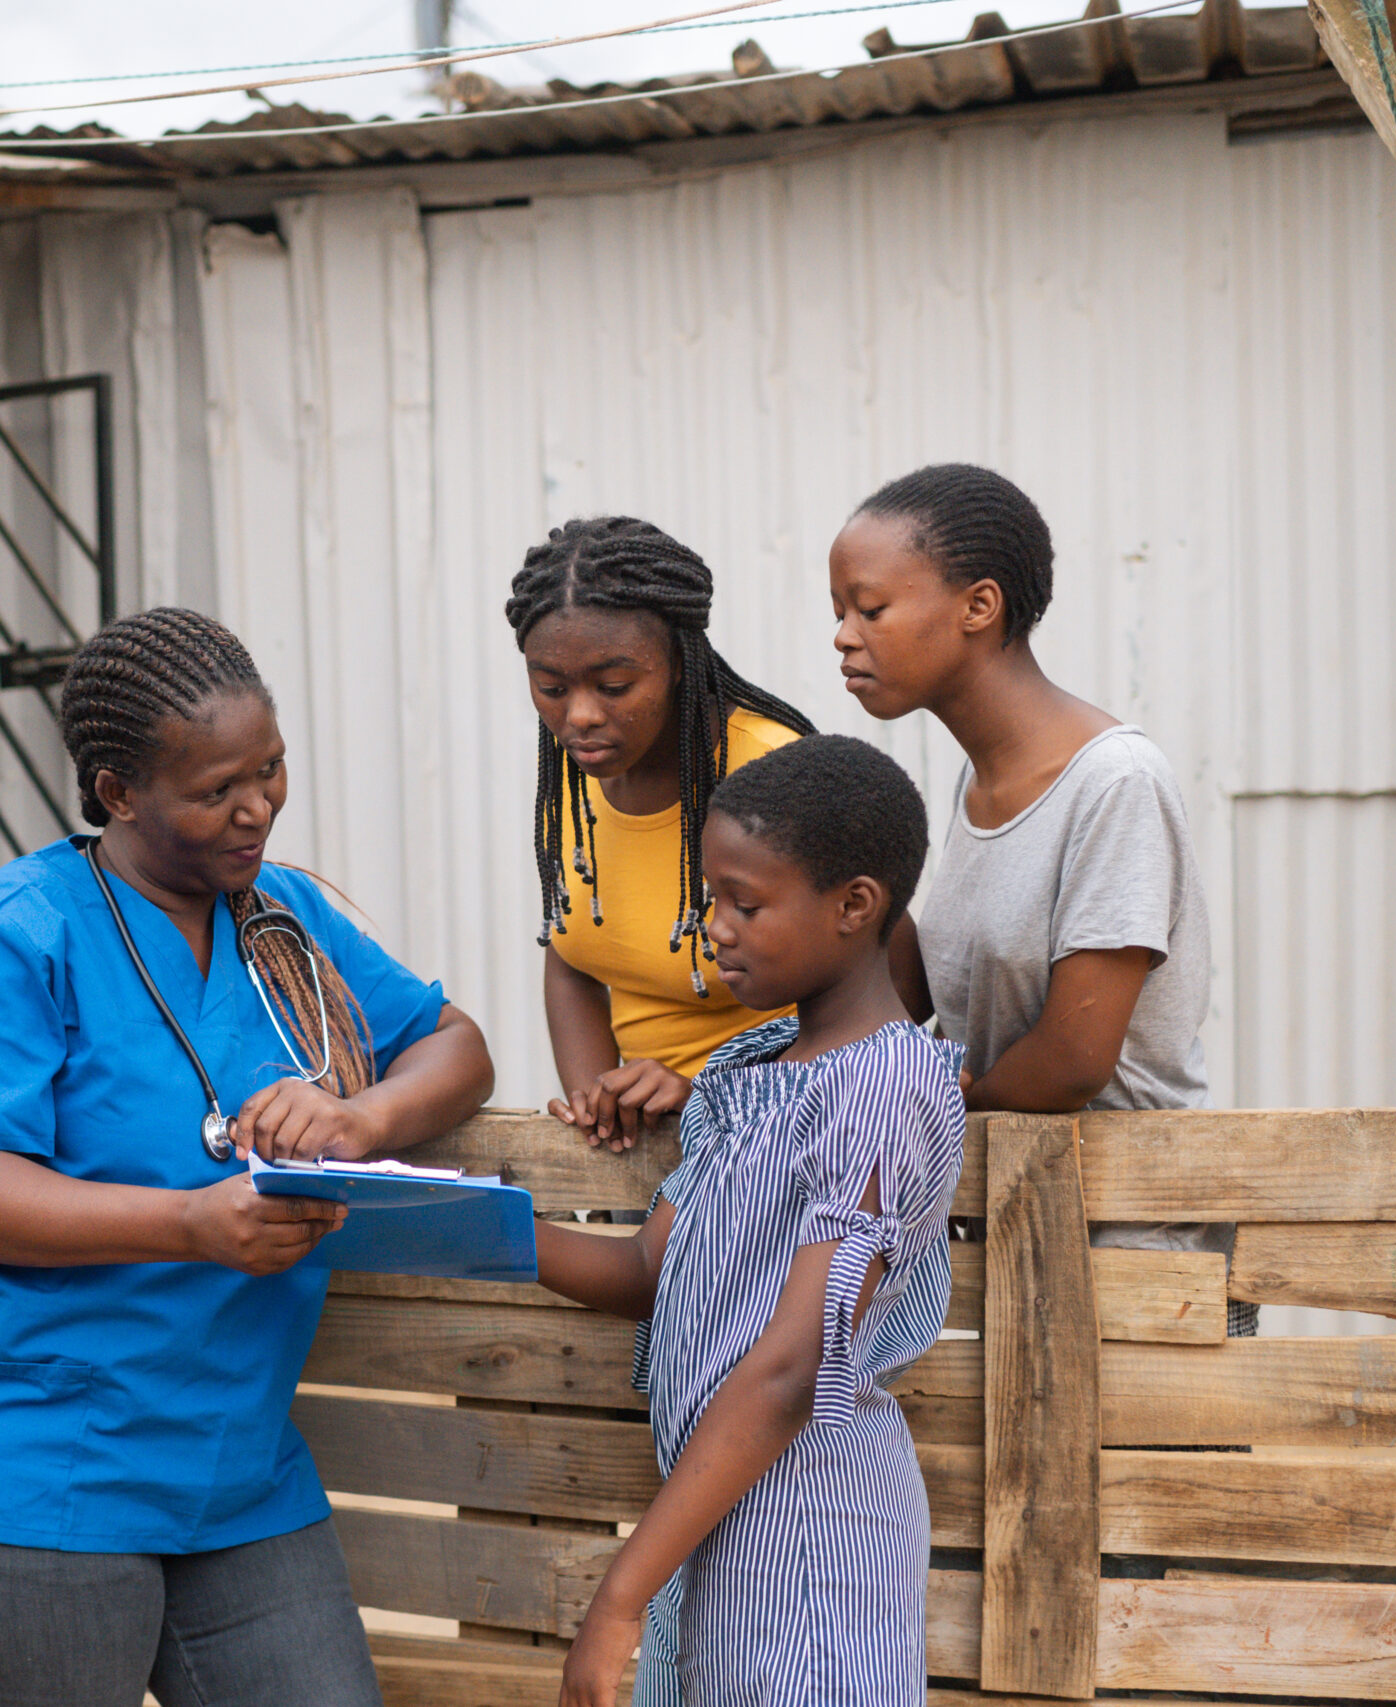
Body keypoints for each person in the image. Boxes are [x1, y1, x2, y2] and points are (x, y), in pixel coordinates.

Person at [0, 607, 495, 1707]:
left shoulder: (280, 918)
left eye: (271, 769)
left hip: (234, 1477)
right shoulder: (6, 936)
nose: (257, 809)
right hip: (37, 1481)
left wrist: (357, 1122)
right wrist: (188, 1225)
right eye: (215, 791)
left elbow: (453, 1047)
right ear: (116, 794)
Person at [534, 735, 966, 1707]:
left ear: (854, 905)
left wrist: (619, 1595)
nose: (711, 929)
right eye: (708, 899)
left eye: (745, 903)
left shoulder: (883, 1086)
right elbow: (652, 1271)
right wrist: (465, 1225)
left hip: (808, 1523)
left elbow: (792, 1366)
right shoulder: (751, 1070)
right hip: (717, 1506)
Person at [828, 463, 1249, 1334]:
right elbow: (934, 1006)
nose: (843, 636)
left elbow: (1072, 1057)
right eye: (839, 612)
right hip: (1020, 1234)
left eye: (869, 609)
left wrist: (923, 1106)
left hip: (1132, 1259)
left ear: (978, 607)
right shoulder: (977, 786)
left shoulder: (1113, 783)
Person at [505, 516, 818, 1154]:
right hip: (648, 1155)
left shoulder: (774, 777)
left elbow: (882, 981)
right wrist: (599, 1103)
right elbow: (572, 961)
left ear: (677, 662)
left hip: (790, 1146)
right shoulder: (571, 788)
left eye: (614, 686)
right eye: (552, 688)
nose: (581, 716)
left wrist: (715, 1091)